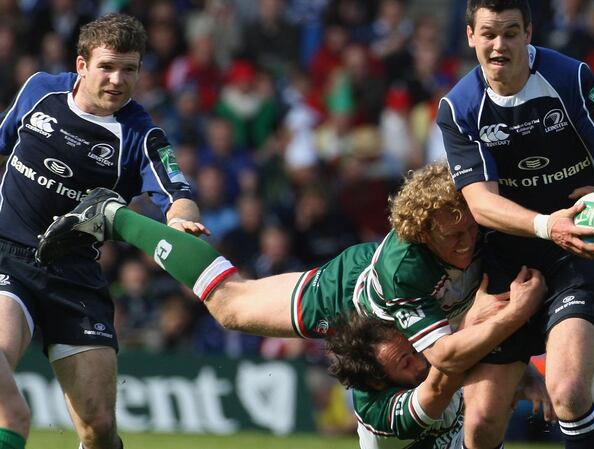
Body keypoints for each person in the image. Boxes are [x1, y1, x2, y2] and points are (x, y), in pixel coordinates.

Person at [38, 162, 560, 385]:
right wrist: (517, 316)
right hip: (346, 299)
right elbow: (445, 354)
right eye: (452, 236)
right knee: (230, 306)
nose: (466, 241)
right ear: (424, 234)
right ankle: (115, 217)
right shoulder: (407, 267)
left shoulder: (477, 227)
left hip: (394, 310)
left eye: (469, 228)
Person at [435, 2, 594, 448]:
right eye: (489, 33)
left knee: (568, 392)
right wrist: (546, 225)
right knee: (481, 423)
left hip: (579, 249)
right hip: (507, 261)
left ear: (529, 32)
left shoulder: (570, 77)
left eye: (511, 32)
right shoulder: (459, 108)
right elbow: (481, 203)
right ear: (471, 36)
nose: (499, 45)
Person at [0, 13, 207, 449]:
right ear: (81, 65)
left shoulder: (141, 135)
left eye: (129, 69)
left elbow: (177, 192)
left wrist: (178, 219)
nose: (117, 80)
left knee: (97, 428)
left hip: (74, 277)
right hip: (9, 257)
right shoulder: (40, 90)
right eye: (107, 67)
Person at [326, 280, 552, 449]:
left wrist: (528, 374)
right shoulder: (380, 415)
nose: (420, 363)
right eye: (406, 363)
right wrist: (516, 311)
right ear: (378, 382)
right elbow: (438, 387)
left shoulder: (428, 348)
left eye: (414, 349)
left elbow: (473, 347)